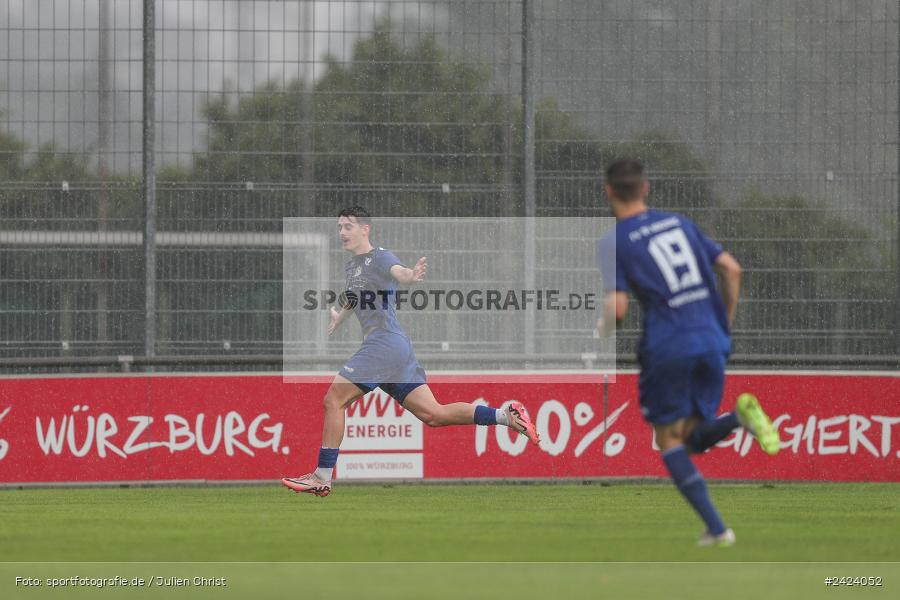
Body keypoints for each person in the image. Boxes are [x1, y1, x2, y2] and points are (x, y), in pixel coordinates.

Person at [283, 206, 540, 497]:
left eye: (348, 227)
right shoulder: (352, 267)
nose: (342, 232)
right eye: (340, 227)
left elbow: (399, 272)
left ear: (365, 229)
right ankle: (506, 415)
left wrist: (410, 275)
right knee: (434, 415)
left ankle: (321, 476)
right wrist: (339, 317)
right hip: (395, 350)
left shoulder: (379, 256)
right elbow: (354, 296)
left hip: (383, 344)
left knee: (333, 400)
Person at [597, 158, 780, 546]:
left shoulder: (614, 240)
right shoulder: (680, 223)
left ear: (609, 191)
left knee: (668, 439)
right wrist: (722, 325)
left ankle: (718, 530)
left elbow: (618, 308)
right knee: (694, 437)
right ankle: (739, 418)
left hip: (668, 345)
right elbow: (732, 269)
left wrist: (601, 331)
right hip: (712, 340)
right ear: (646, 189)